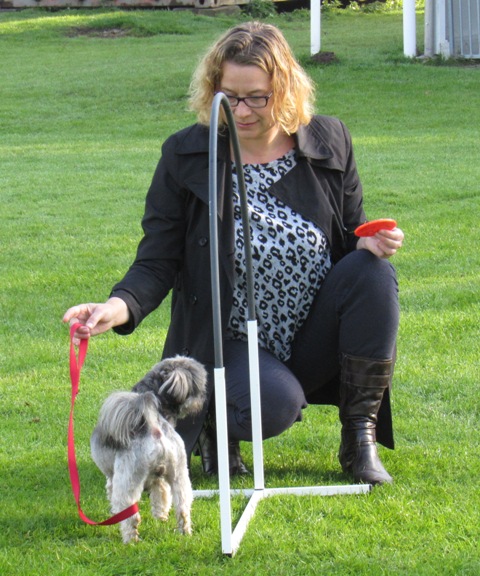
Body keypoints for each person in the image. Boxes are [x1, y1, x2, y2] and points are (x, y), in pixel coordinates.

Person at [64, 21, 404, 486]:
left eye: (257, 97)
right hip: (228, 342)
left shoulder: (330, 142)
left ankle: (359, 437)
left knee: (373, 272)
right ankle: (212, 421)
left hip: (308, 333)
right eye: (230, 96)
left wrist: (367, 242)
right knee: (274, 408)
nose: (241, 110)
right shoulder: (186, 154)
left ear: (285, 89)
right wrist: (117, 306)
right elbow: (157, 259)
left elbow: (347, 240)